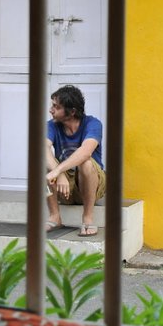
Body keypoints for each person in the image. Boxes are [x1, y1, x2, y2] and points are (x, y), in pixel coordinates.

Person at [45, 84, 107, 237]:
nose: (51, 110)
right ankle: (55, 216)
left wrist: (58, 171)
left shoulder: (93, 124)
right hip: (65, 188)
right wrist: (59, 174)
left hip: (91, 184)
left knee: (85, 162)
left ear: (72, 111)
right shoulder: (51, 125)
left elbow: (86, 152)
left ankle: (88, 218)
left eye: (56, 107)